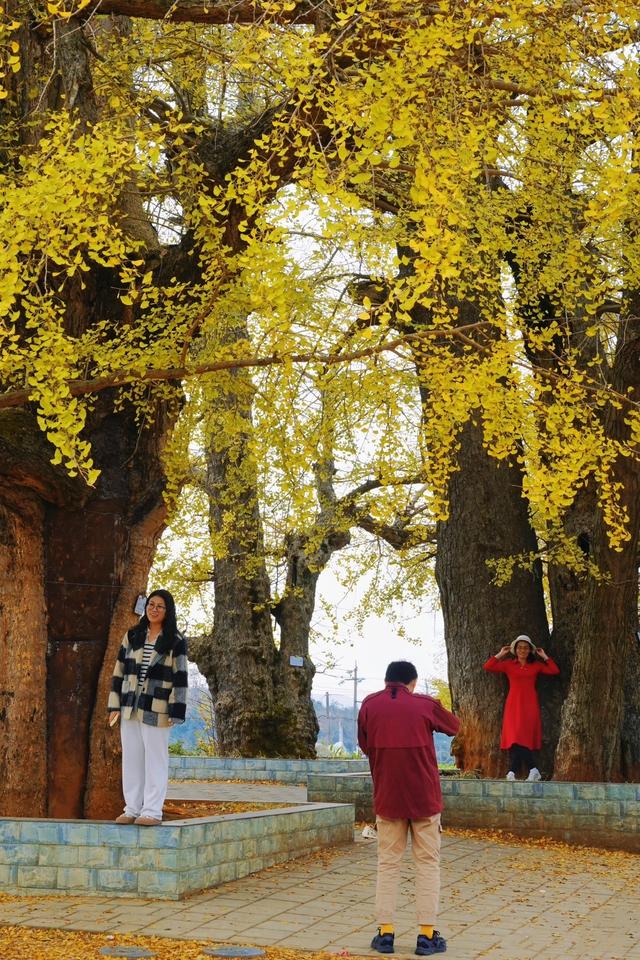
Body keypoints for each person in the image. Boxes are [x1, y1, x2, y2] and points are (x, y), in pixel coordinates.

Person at [358, 660, 460, 957]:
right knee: (427, 864)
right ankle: (427, 937)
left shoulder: (369, 705)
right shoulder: (424, 704)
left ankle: (386, 933)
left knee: (387, 864)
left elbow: (365, 745)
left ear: (387, 680)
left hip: (388, 798)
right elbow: (454, 726)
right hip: (424, 800)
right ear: (412, 683)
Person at [108, 589, 188, 825]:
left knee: (155, 760)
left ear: (168, 610)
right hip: (129, 707)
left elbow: (181, 676)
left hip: (158, 708)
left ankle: (152, 811)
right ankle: (132, 808)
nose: (154, 609)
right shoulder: (132, 635)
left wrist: (177, 710)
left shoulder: (175, 640)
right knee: (132, 759)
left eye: (159, 606)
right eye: (151, 604)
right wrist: (114, 706)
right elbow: (118, 672)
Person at [483, 634, 559, 782]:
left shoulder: (535, 665)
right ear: (515, 649)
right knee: (514, 738)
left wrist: (544, 656)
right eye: (519, 647)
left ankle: (512, 772)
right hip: (513, 704)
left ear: (530, 650)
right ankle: (531, 769)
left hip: (530, 705)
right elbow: (488, 666)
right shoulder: (509, 664)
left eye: (525, 648)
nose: (522, 650)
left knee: (522, 738)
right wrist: (501, 654)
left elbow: (554, 670)